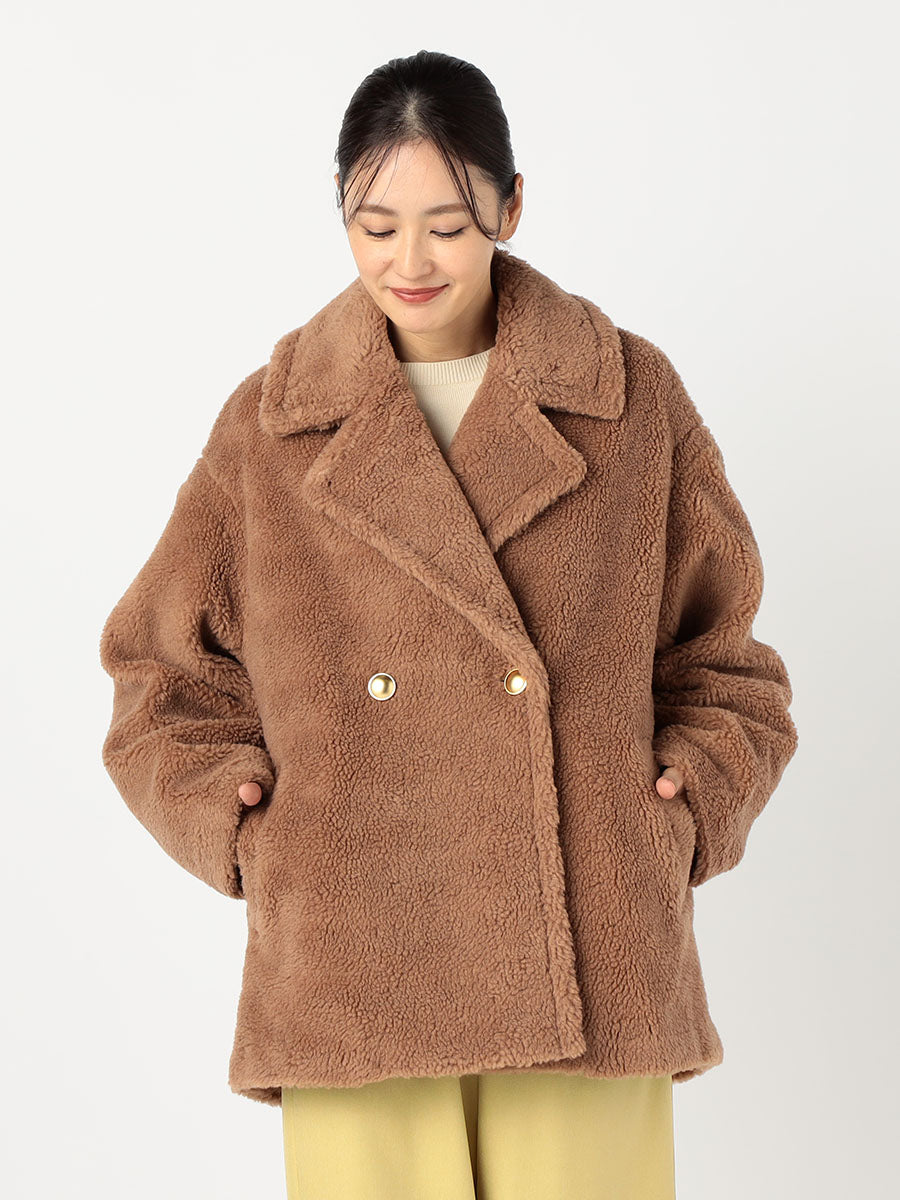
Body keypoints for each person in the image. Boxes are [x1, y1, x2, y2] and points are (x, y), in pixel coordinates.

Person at [99, 49, 799, 1200]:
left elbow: (726, 659)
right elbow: (157, 672)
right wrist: (242, 826)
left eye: (447, 225)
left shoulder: (628, 398)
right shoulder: (272, 426)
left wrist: (687, 799)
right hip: (354, 953)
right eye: (375, 226)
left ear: (510, 208)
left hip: (589, 943)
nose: (409, 262)